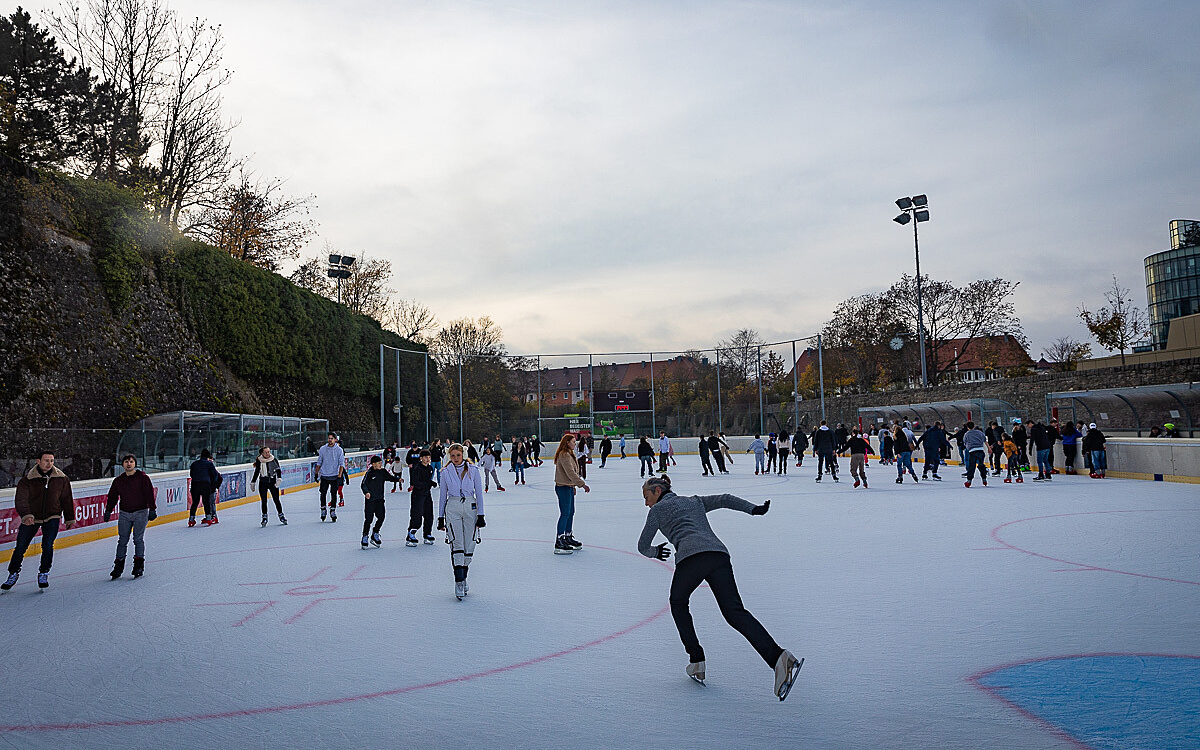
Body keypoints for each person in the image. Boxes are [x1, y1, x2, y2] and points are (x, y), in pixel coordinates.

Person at [636, 475, 803, 700]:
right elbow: (724, 499)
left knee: (678, 603)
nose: (646, 503)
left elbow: (642, 546)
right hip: (718, 555)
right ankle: (778, 658)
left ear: (657, 490)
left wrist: (656, 552)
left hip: (691, 558)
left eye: (647, 497)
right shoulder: (694, 501)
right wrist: (754, 509)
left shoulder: (656, 512)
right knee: (735, 613)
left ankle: (696, 660)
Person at [4, 450, 76, 591]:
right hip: (32, 516)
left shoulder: (61, 478)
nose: (49, 463)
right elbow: (21, 499)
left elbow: (66, 499)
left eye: (51, 461)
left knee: (48, 545)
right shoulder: (27, 480)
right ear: (38, 461)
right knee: (21, 546)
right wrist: (26, 515)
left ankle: (44, 572)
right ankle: (13, 573)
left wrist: (69, 517)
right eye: (46, 460)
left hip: (53, 515)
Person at [437, 444, 485, 599]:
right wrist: (440, 517)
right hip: (453, 507)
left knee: (469, 544)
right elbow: (442, 495)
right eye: (452, 456)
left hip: (470, 508)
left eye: (458, 455)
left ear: (463, 454)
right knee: (457, 544)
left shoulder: (473, 470)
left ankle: (463, 577)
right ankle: (459, 581)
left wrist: (481, 515)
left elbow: (479, 493)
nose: (455, 459)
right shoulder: (445, 472)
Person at [104, 454, 157, 579]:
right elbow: (112, 496)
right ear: (122, 464)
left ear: (135, 464)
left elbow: (149, 493)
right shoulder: (118, 480)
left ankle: (138, 565)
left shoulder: (143, 478)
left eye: (131, 461)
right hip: (125, 514)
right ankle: (118, 567)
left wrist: (152, 509)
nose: (129, 464)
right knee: (122, 540)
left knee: (138, 539)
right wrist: (108, 510)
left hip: (141, 512)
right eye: (126, 461)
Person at [553, 433, 590, 554]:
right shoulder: (564, 455)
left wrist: (573, 486)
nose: (575, 443)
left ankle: (568, 536)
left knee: (570, 513)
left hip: (568, 487)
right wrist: (582, 484)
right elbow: (570, 473)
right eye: (573, 442)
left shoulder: (569, 453)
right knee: (565, 513)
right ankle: (559, 540)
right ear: (567, 442)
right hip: (563, 487)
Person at [359, 455, 403, 549]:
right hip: (370, 501)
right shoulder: (369, 473)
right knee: (369, 520)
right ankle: (365, 536)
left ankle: (375, 533)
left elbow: (390, 477)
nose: (380, 464)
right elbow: (363, 484)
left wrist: (398, 479)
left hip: (379, 500)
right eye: (378, 463)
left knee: (381, 517)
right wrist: (366, 492)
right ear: (373, 464)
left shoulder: (382, 472)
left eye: (380, 463)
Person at [407, 449, 438, 546]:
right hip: (418, 495)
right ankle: (410, 535)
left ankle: (427, 534)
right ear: (421, 458)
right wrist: (427, 484)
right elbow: (416, 482)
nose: (428, 459)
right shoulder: (417, 468)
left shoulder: (429, 468)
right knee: (417, 515)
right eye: (426, 457)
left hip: (427, 494)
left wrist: (430, 483)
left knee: (429, 515)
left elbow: (427, 480)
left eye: (429, 457)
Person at [251, 446, 287, 527]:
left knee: (276, 500)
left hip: (272, 482)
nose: (268, 453)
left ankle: (281, 515)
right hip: (263, 482)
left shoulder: (273, 459)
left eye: (269, 452)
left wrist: (279, 479)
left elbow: (278, 470)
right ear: (262, 453)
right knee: (264, 501)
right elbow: (257, 472)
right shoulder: (259, 460)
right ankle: (264, 517)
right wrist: (253, 482)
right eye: (266, 452)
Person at [189, 448, 223, 526]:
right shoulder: (209, 464)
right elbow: (215, 475)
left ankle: (191, 519)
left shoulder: (194, 464)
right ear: (207, 456)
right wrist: (213, 485)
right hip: (205, 484)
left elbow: (191, 474)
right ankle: (208, 518)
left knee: (195, 503)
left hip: (195, 484)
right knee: (206, 501)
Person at [316, 433, 344, 522]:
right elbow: (319, 462)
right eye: (329, 438)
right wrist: (316, 473)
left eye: (332, 438)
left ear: (335, 439)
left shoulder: (339, 450)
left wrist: (339, 476)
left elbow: (341, 464)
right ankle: (323, 509)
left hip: (334, 476)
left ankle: (333, 510)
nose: (330, 440)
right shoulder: (323, 449)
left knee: (333, 494)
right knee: (323, 493)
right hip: (324, 475)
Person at [962, 422, 989, 488]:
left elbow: (965, 442)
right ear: (974, 426)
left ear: (967, 427)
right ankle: (984, 479)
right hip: (980, 450)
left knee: (972, 466)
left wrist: (967, 447)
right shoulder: (980, 432)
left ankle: (969, 481)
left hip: (972, 451)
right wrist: (989, 448)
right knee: (981, 465)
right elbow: (985, 440)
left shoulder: (967, 434)